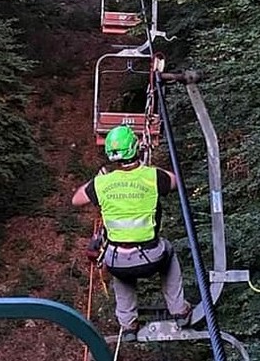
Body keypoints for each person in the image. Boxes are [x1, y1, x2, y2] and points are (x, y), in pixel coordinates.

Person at [72, 125, 192, 342]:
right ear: (136, 148)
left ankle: (128, 323)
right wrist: (148, 170)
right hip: (150, 257)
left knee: (120, 267)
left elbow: (77, 199)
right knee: (168, 251)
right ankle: (179, 310)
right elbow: (175, 181)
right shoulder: (152, 176)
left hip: (117, 260)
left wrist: (99, 180)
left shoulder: (102, 182)